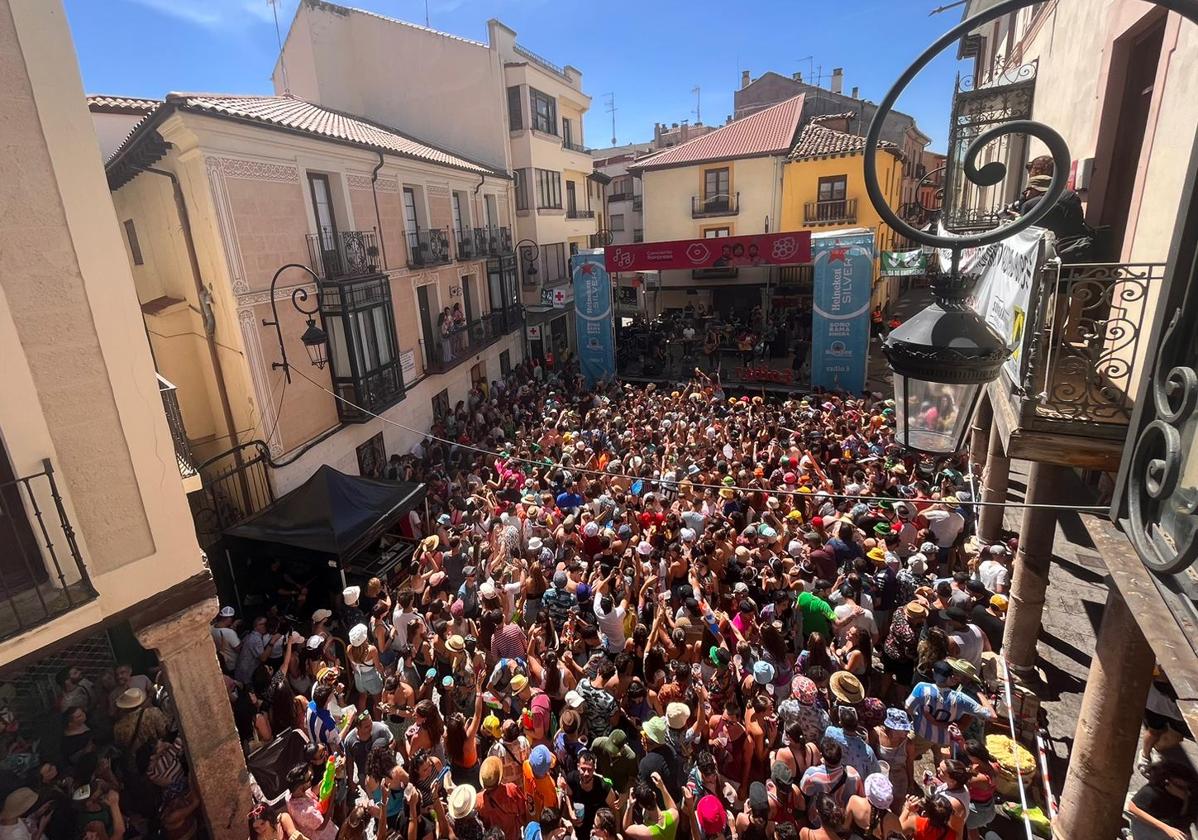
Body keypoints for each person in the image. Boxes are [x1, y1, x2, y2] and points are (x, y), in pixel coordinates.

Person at [1127, 761, 1197, 840]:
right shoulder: (1152, 791)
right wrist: (1167, 829)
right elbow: (1132, 807)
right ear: (1168, 783)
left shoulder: (1188, 795)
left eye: (1188, 788)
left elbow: (1185, 819)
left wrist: (1186, 800)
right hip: (1150, 824)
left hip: (1170, 822)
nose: (1187, 792)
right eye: (1181, 788)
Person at [622, 773, 679, 840]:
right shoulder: (674, 816)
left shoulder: (647, 832)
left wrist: (630, 806)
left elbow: (626, 827)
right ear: (654, 795)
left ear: (641, 805)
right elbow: (673, 808)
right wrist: (662, 786)